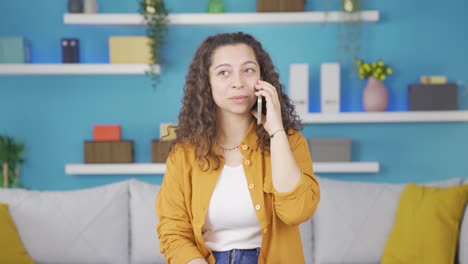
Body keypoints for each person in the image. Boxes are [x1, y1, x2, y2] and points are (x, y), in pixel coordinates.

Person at [156, 32, 320, 264]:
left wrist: (277, 132)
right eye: (224, 72)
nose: (238, 83)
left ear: (263, 79)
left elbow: (297, 212)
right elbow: (173, 230)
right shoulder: (185, 153)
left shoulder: (289, 141)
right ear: (207, 82)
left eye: (248, 70)